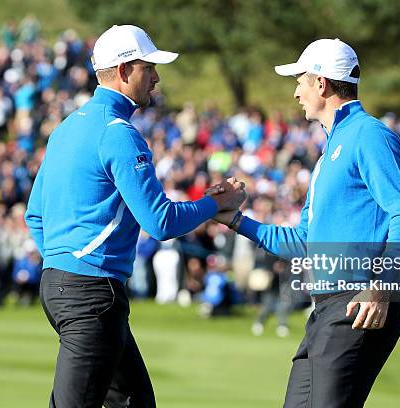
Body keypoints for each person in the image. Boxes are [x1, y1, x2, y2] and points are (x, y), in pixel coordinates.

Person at [25, 25, 245, 408]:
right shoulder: (118, 133)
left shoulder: (65, 128)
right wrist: (217, 203)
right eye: (149, 67)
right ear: (125, 71)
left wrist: (63, 265)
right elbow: (160, 222)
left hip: (61, 284)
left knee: (133, 400)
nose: (157, 77)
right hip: (91, 292)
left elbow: (35, 216)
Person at [209, 39, 400, 407]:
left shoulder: (370, 135)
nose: (296, 92)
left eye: (300, 81)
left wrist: (381, 287)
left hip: (358, 302)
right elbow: (303, 241)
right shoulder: (329, 152)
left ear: (321, 84)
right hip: (326, 308)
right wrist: (236, 221)